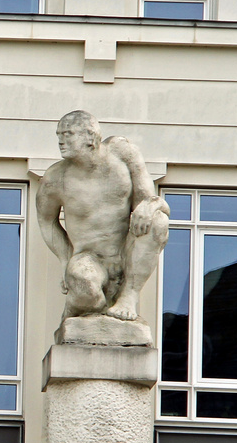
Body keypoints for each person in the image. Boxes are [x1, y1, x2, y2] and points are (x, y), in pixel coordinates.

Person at [35, 110, 169, 322]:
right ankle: (78, 305)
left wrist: (149, 206)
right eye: (59, 135)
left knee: (158, 220)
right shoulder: (54, 178)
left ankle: (129, 295)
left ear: (90, 136)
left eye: (68, 134)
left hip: (127, 251)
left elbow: (152, 200)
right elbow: (46, 221)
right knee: (85, 290)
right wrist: (65, 259)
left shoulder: (123, 153)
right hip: (88, 257)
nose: (61, 141)